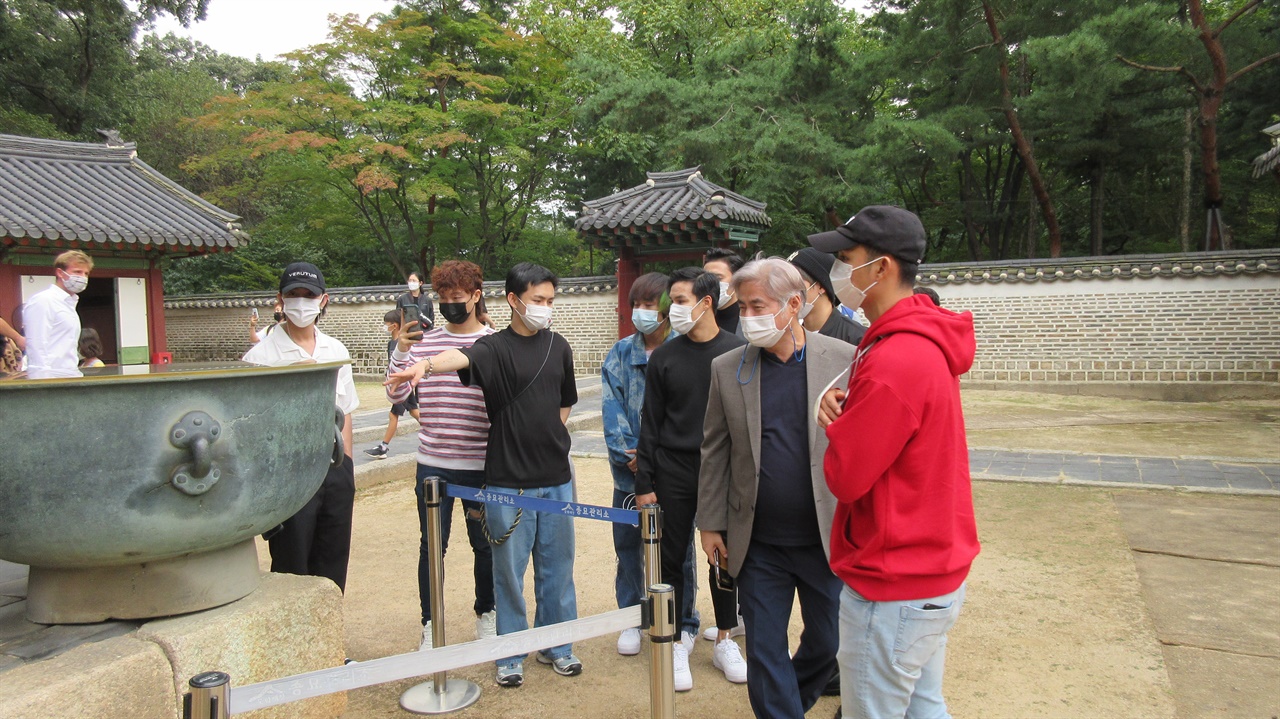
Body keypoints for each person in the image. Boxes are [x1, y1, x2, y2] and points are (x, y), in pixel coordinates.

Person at [811, 206, 980, 719]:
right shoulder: (919, 342)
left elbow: (847, 477)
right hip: (930, 568)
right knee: (924, 706)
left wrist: (834, 426)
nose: (839, 270)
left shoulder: (892, 358)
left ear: (881, 268)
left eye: (846, 258)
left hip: (894, 579)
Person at [386, 262, 581, 689]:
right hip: (505, 476)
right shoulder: (494, 347)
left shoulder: (560, 346)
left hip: (556, 474)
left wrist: (545, 435)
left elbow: (565, 403)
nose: (546, 308)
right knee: (507, 570)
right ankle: (508, 653)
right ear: (513, 300)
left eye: (550, 301)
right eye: (538, 301)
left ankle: (559, 645)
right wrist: (424, 367)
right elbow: (461, 355)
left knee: (557, 566)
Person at [699, 258, 856, 718]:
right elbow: (715, 450)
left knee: (827, 642)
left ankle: (792, 704)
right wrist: (710, 523)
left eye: (757, 306)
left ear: (794, 304)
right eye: (742, 307)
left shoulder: (844, 359)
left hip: (824, 535)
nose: (748, 317)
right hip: (758, 540)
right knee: (765, 651)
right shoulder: (728, 368)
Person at [634, 267, 747, 691]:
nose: (672, 310)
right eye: (671, 302)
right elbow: (651, 424)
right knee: (671, 555)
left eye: (680, 301)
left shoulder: (739, 352)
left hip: (723, 469)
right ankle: (678, 639)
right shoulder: (664, 356)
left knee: (725, 556)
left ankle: (723, 637)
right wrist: (644, 482)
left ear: (707, 302)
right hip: (674, 469)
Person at [385, 260, 497, 651]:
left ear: (476, 296)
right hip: (433, 461)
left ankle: (488, 612)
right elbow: (397, 394)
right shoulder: (425, 343)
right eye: (444, 297)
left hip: (481, 462)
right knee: (432, 545)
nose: (450, 304)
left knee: (485, 544)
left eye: (458, 297)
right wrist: (401, 352)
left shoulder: (494, 343)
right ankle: (431, 623)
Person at [600, 272, 702, 657]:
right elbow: (612, 412)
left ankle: (685, 620)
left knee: (680, 550)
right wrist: (633, 457)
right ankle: (630, 616)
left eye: (650, 305)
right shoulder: (621, 353)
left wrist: (659, 463)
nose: (643, 312)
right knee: (628, 547)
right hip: (628, 477)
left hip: (675, 474)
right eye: (637, 305)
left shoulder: (686, 349)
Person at [243, 262, 359, 593]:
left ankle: (329, 636)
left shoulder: (335, 350)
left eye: (310, 295)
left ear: (323, 300)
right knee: (292, 564)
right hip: (286, 472)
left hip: (333, 467)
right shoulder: (259, 357)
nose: (302, 302)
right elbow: (252, 425)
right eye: (294, 295)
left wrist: (346, 464)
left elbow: (346, 409)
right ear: (280, 299)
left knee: (333, 560)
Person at [24, 250, 92, 378]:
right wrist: (43, 382)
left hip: (71, 373)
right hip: (51, 376)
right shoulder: (44, 301)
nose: (82, 277)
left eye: (86, 273)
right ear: (60, 273)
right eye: (77, 272)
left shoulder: (70, 304)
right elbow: (37, 343)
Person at [364, 310, 422, 460]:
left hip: (403, 386)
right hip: (396, 385)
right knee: (414, 411)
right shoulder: (391, 343)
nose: (385, 328)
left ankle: (383, 447)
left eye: (386, 325)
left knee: (393, 415)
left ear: (394, 326)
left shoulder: (402, 344)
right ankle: (435, 432)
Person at [788, 247, 866, 347]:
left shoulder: (857, 339)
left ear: (821, 286)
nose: (787, 290)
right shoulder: (788, 337)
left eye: (795, 282)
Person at [704, 247, 745, 334]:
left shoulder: (752, 319)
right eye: (706, 279)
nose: (712, 284)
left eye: (718, 278)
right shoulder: (696, 319)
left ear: (737, 280)